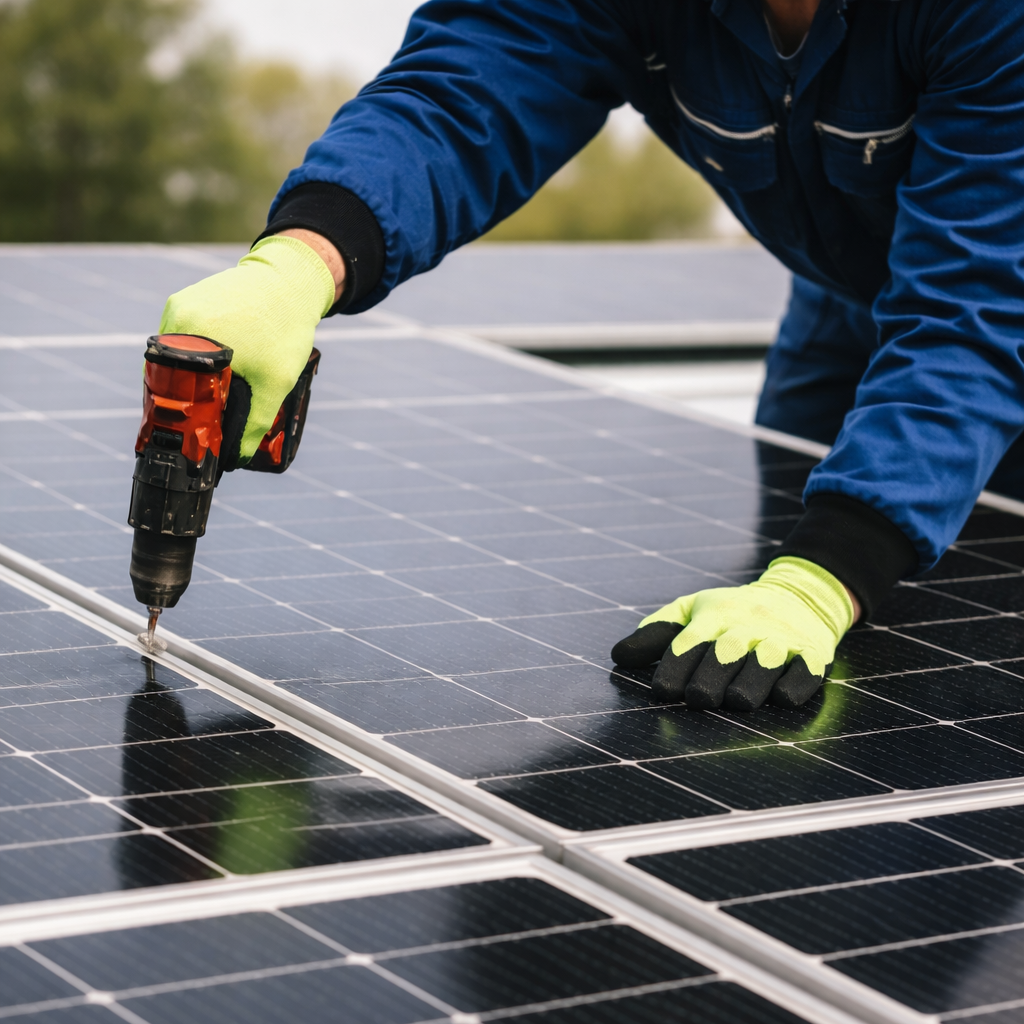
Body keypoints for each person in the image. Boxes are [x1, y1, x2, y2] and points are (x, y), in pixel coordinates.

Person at [160, 0, 1024, 711]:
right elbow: (475, 84)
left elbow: (978, 304)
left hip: (994, 310)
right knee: (774, 625)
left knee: (965, 654)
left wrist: (826, 577)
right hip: (840, 312)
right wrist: (304, 257)